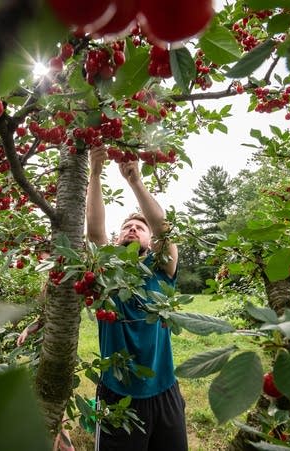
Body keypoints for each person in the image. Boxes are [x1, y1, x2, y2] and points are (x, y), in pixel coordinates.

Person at [86, 146, 187, 451]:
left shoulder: (161, 269)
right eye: (126, 227)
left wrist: (135, 181)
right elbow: (94, 234)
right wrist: (94, 173)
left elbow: (164, 230)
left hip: (165, 391)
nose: (132, 229)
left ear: (149, 240)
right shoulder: (105, 270)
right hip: (118, 396)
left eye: (139, 227)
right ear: (117, 239)